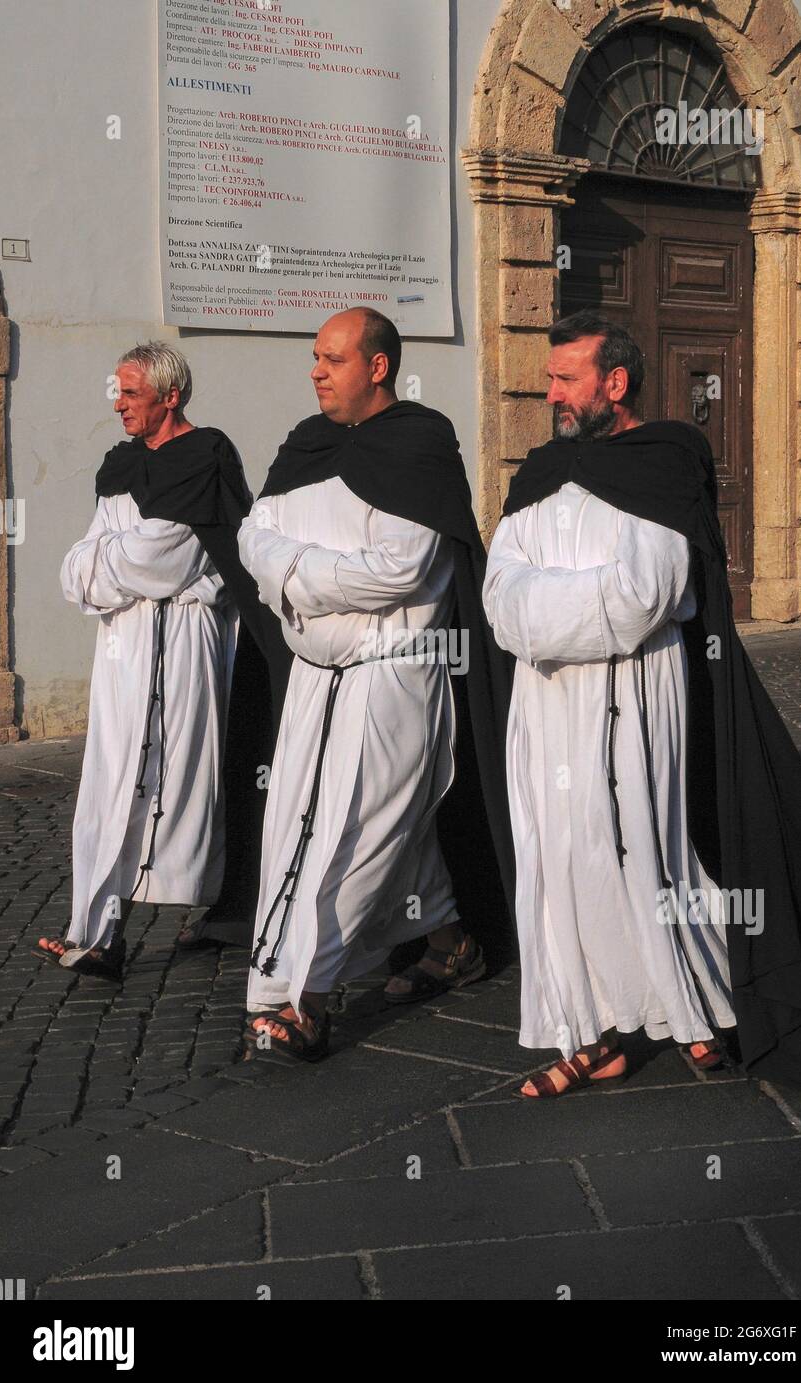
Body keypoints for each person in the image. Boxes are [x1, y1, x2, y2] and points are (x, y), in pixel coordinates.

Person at [484, 309, 801, 1098]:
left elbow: (641, 597)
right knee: (560, 863)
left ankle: (693, 1003)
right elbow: (498, 595)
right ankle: (597, 1028)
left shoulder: (666, 458)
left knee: (638, 854)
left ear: (614, 383)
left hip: (636, 699)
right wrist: (557, 609)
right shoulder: (538, 473)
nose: (549, 393)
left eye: (564, 378)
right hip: (544, 711)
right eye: (549, 378)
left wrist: (544, 610)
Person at [237, 307, 514, 1061]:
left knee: (354, 835)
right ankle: (454, 946)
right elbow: (250, 535)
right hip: (313, 679)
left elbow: (401, 569)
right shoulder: (307, 443)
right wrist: (309, 570)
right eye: (315, 357)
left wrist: (293, 571)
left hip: (390, 679)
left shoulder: (419, 443)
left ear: (378, 366)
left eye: (331, 358)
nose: (315, 371)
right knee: (356, 827)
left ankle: (302, 999)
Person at [34, 342, 258, 978]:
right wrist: (111, 563)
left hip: (182, 649)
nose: (119, 403)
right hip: (121, 649)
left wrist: (110, 561)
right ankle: (95, 930)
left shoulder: (204, 457)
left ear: (170, 395)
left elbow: (158, 561)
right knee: (108, 784)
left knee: (155, 781)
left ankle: (124, 929)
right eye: (118, 390)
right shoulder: (121, 465)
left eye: (131, 392)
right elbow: (77, 566)